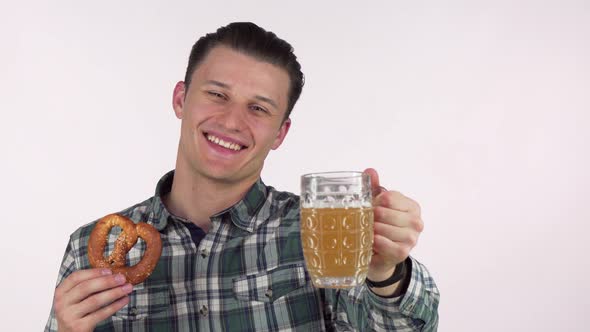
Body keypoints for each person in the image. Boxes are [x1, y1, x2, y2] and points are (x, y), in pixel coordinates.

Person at [45, 22, 439, 331]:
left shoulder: (322, 237)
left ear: (280, 133)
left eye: (258, 108)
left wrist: (386, 272)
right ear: (180, 99)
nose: (232, 121)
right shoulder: (89, 248)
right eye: (217, 95)